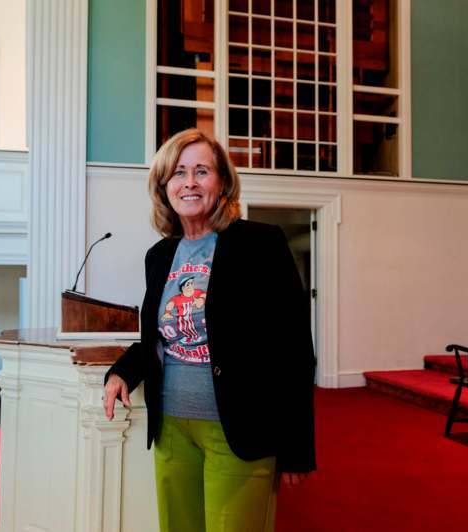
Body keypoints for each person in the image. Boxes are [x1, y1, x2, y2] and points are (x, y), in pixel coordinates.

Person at [103, 128, 316, 532]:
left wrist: (297, 448)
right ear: (164, 186)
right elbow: (160, 337)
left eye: (202, 171)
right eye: (179, 173)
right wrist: (122, 372)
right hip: (172, 430)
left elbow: (294, 349)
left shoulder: (261, 243)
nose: (190, 182)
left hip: (240, 429)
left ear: (222, 183)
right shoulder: (160, 255)